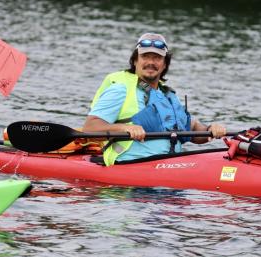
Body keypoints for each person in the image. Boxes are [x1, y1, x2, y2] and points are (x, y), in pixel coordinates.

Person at [82, 33, 226, 166]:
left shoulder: (167, 95)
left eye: (157, 58)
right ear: (135, 61)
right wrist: (125, 127)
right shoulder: (120, 89)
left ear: (164, 64)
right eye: (145, 56)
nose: (151, 62)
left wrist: (210, 130)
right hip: (130, 168)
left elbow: (191, 128)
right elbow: (90, 128)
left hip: (172, 165)